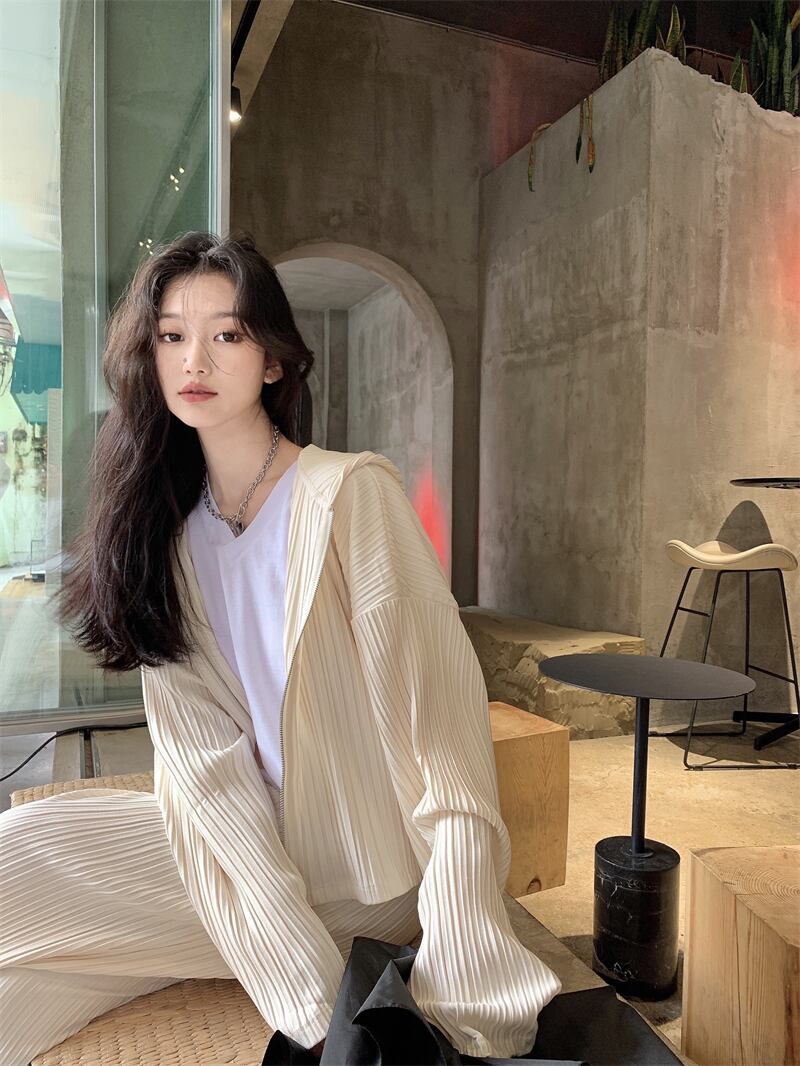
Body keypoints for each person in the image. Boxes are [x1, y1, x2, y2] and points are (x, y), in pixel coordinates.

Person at [0, 232, 561, 1065]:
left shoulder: (350, 496)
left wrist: (464, 992)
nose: (194, 359)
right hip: (257, 847)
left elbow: (446, 748)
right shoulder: (171, 538)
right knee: (27, 887)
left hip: (369, 872)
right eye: (171, 335)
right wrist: (306, 981)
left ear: (271, 360)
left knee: (23, 874)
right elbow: (206, 773)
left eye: (226, 334)